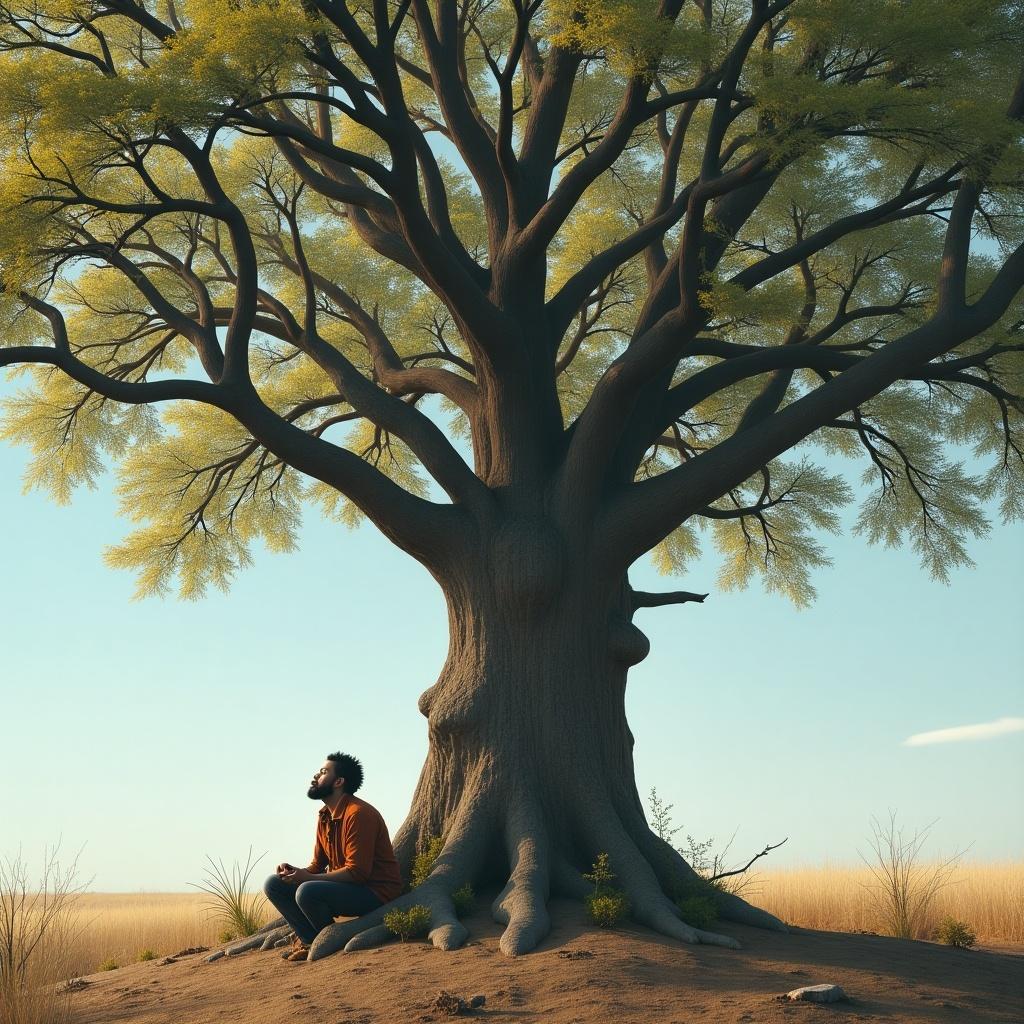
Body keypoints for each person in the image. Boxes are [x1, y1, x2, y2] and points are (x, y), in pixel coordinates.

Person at [264, 752, 403, 962]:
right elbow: (317, 865)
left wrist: (306, 878)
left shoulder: (358, 814)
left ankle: (331, 940)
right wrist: (294, 872)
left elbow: (358, 873)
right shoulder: (324, 815)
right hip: (349, 887)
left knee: (306, 891)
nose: (315, 776)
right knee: (274, 883)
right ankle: (311, 941)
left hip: (375, 892)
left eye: (323, 772)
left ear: (338, 782)